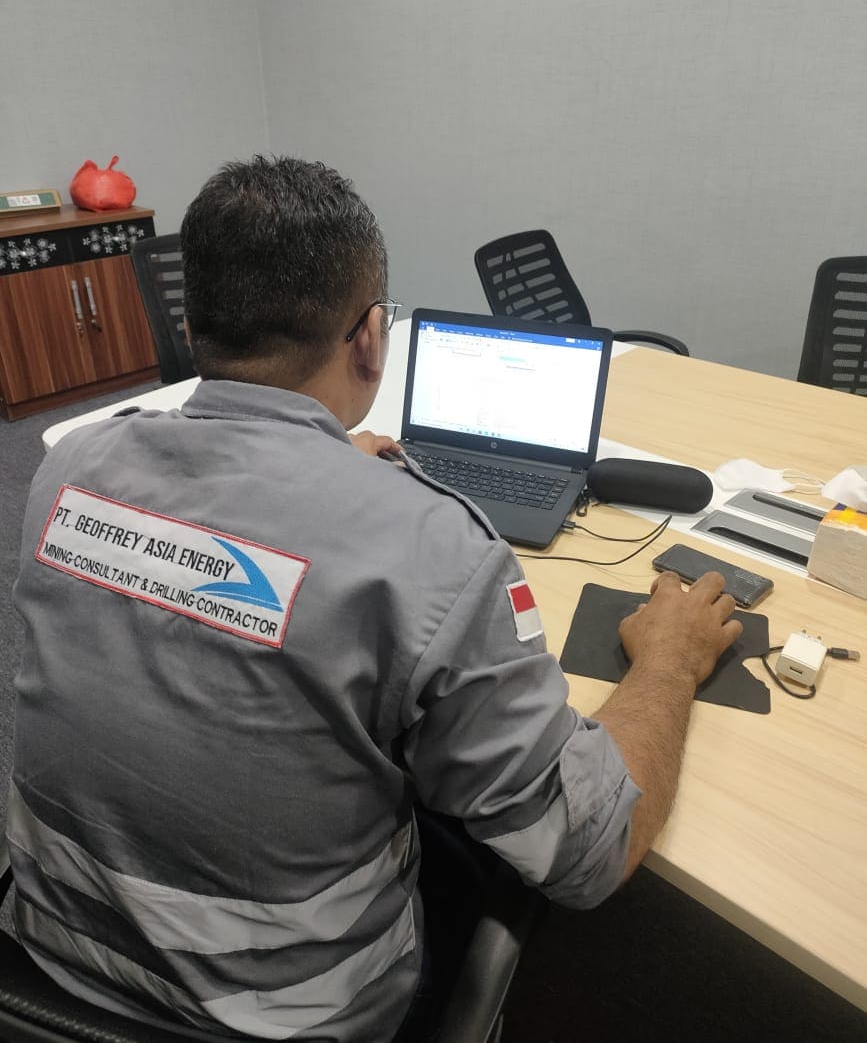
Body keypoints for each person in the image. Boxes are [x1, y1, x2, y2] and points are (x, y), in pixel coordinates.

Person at [8, 155, 742, 1043]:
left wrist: (318, 474)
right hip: (280, 1017)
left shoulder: (71, 465)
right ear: (368, 339)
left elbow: (205, 564)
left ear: (193, 325)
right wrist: (668, 661)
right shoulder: (431, 548)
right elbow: (588, 853)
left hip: (49, 955)